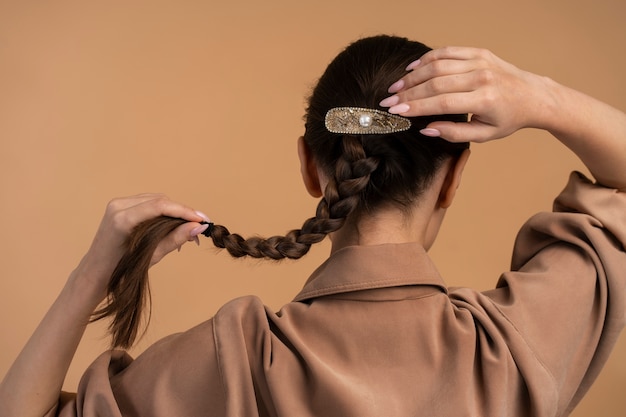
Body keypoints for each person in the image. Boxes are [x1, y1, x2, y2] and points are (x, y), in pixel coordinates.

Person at [1, 34, 625, 417]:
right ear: (454, 177)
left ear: (310, 165)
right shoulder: (513, 349)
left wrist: (93, 274)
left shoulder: (233, 359)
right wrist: (541, 97)